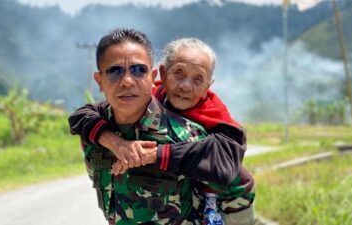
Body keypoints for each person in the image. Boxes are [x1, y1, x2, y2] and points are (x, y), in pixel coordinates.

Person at [69, 38, 255, 225]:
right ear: (162, 75)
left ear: (208, 85)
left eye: (198, 79)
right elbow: (81, 115)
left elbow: (234, 177)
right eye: (178, 74)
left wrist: (156, 154)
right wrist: (114, 142)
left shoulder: (212, 118)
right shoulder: (137, 99)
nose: (185, 86)